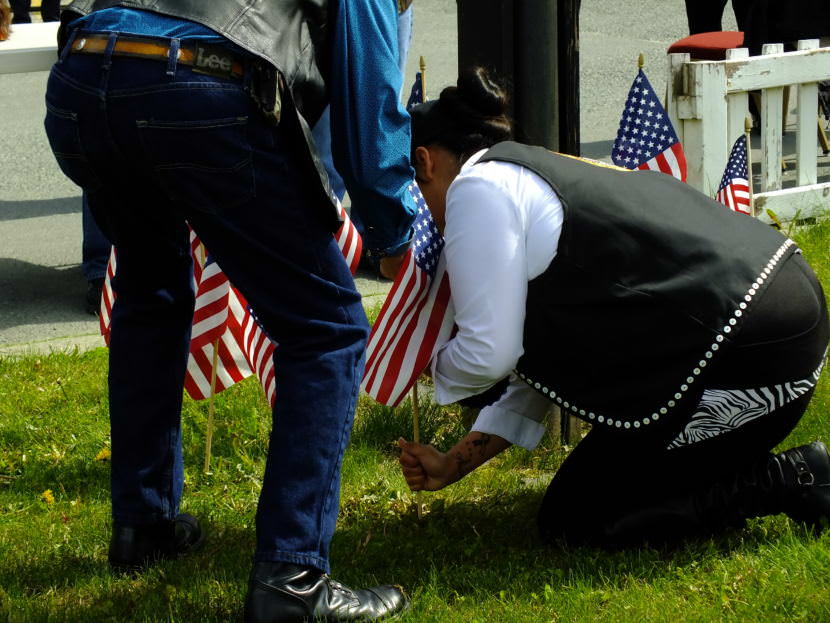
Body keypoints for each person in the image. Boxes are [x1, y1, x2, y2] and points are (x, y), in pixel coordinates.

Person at [44, 1, 416, 621]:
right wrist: (395, 234)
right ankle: (292, 581)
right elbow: (369, 103)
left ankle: (144, 524)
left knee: (150, 287)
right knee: (327, 329)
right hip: (197, 86)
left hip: (83, 78)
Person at [398, 67, 830, 548]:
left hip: (750, 346)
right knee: (585, 501)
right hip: (778, 312)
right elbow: (538, 370)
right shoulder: (519, 172)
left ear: (424, 161)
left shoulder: (474, 190)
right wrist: (453, 463)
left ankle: (790, 478)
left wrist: (423, 364)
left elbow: (489, 354)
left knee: (581, 520)